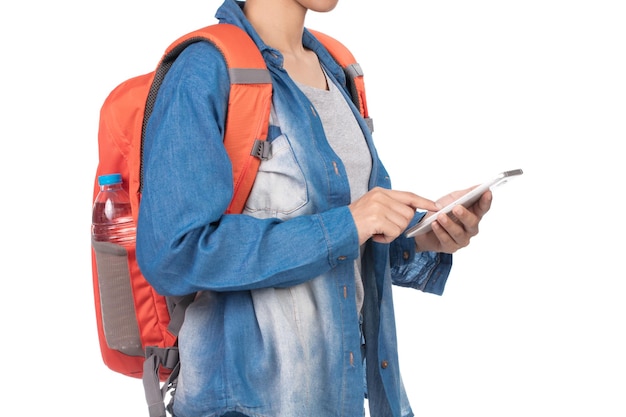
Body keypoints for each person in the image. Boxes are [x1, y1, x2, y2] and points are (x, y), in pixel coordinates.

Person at [135, 0, 492, 416]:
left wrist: (422, 235)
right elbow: (174, 254)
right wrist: (349, 224)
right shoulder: (204, 71)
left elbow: (344, 241)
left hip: (335, 397)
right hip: (249, 403)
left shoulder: (335, 69)